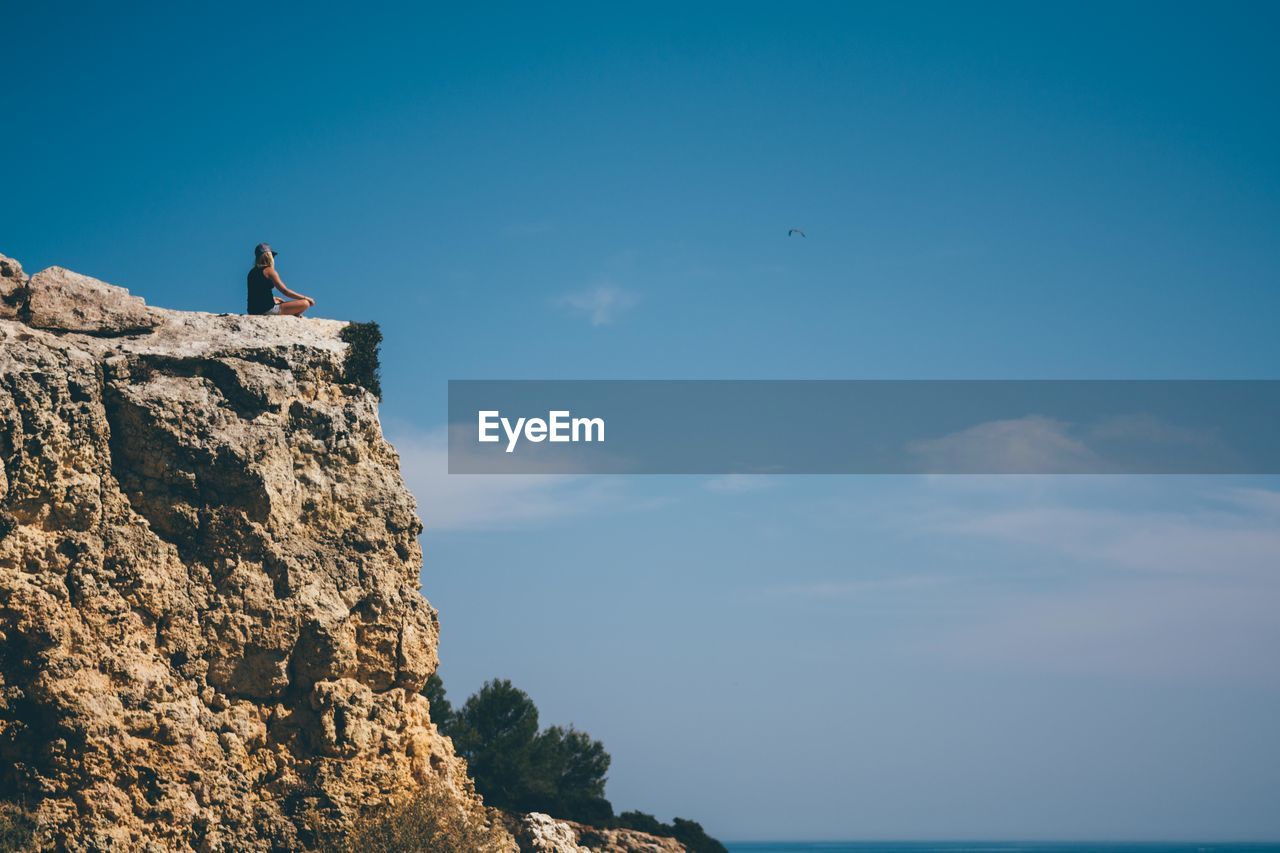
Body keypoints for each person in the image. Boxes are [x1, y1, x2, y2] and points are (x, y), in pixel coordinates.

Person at [246, 243, 315, 316]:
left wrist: (273, 298)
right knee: (305, 303)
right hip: (266, 310)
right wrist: (305, 298)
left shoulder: (251, 272)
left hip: (252, 310)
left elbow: (256, 293)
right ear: (269, 256)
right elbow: (285, 291)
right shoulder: (269, 271)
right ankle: (292, 314)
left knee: (277, 300)